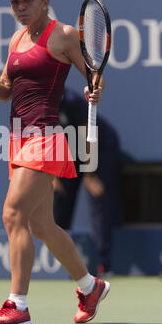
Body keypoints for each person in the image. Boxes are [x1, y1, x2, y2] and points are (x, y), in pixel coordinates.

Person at [0, 0, 110, 324]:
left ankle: (17, 305)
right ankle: (89, 286)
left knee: (13, 214)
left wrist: (96, 88)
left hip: (45, 137)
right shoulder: (16, 39)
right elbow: (6, 90)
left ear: (44, 1)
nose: (20, 7)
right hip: (17, 138)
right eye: (15, 2)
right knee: (42, 224)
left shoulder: (62, 34)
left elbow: (92, 74)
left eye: (27, 0)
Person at [53, 87, 121, 277]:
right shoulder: (40, 103)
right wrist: (55, 176)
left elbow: (87, 136)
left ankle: (104, 264)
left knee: (96, 195)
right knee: (60, 195)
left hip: (99, 146)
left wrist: (90, 175)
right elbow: (52, 139)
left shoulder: (72, 101)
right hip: (71, 149)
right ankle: (60, 262)